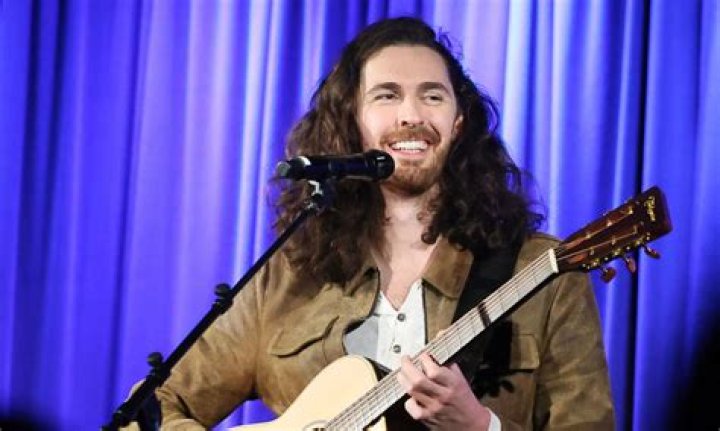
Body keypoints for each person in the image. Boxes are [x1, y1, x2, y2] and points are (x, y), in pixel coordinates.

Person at [147, 17, 614, 430]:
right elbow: (153, 408)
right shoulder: (285, 277)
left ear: (457, 123)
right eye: (387, 95)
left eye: (432, 96)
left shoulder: (544, 273)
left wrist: (479, 426)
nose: (411, 115)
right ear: (352, 119)